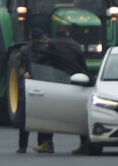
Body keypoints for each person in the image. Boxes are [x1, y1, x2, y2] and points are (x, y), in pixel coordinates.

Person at [30, 24, 90, 154]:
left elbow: (41, 59)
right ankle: (84, 143)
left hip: (57, 82)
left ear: (55, 34)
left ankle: (46, 143)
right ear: (68, 33)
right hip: (75, 82)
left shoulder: (51, 44)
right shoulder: (76, 45)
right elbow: (83, 64)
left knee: (48, 113)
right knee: (80, 114)